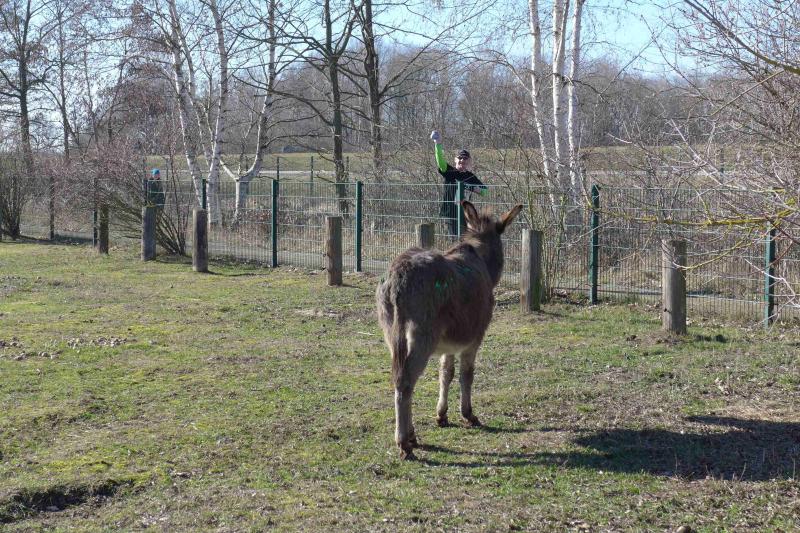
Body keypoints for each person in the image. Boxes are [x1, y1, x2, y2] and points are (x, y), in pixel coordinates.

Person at [430, 130, 487, 236]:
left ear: (469, 161)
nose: (462, 160)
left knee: (467, 239)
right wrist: (438, 143)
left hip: (465, 214)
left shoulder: (471, 176)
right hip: (451, 212)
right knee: (455, 239)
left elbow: (485, 192)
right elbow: (440, 162)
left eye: (465, 158)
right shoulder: (450, 172)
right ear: (455, 160)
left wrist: (475, 189)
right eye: (460, 157)